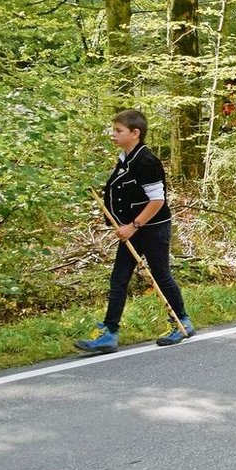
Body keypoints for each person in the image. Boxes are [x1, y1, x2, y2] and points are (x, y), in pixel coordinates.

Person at [73, 110, 194, 354]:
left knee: (161, 275)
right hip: (132, 230)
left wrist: (133, 226)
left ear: (135, 133)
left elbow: (157, 201)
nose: (113, 135)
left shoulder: (146, 161)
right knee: (119, 278)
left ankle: (182, 322)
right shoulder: (125, 159)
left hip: (153, 229)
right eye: (113, 130)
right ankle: (109, 333)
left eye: (118, 131)